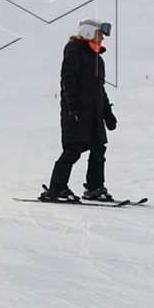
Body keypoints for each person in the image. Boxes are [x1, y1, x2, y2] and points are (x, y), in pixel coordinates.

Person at [40, 19, 118, 202]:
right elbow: (68, 80)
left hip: (94, 114)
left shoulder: (98, 59)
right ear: (89, 33)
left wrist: (107, 112)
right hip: (76, 112)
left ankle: (95, 187)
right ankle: (57, 188)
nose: (102, 40)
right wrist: (72, 106)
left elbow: (100, 89)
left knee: (99, 149)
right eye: (100, 35)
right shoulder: (75, 52)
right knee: (72, 150)